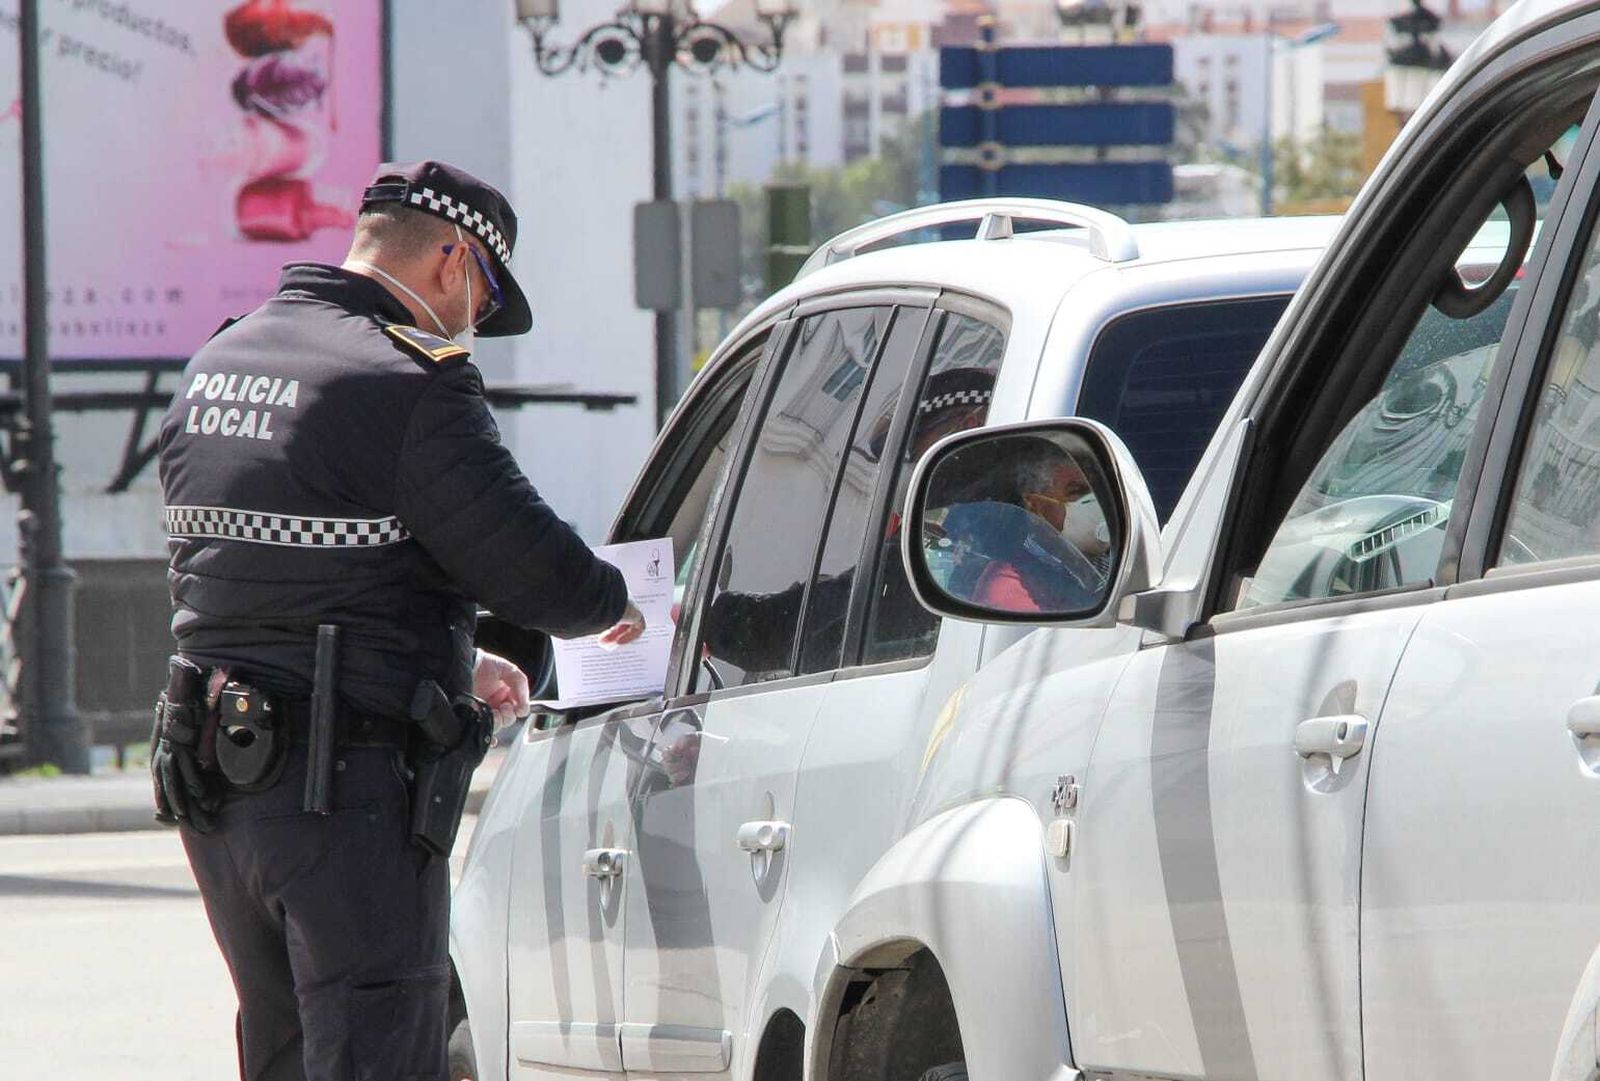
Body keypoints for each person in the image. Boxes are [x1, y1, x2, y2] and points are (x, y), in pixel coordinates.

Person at [151, 160, 645, 1081]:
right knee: (378, 1050)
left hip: (216, 781)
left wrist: (457, 659)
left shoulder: (219, 362)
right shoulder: (410, 382)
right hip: (344, 788)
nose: (472, 326)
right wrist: (621, 605)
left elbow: (281, 581)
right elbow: (532, 565)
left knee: (284, 1046)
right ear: (453, 261)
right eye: (482, 299)